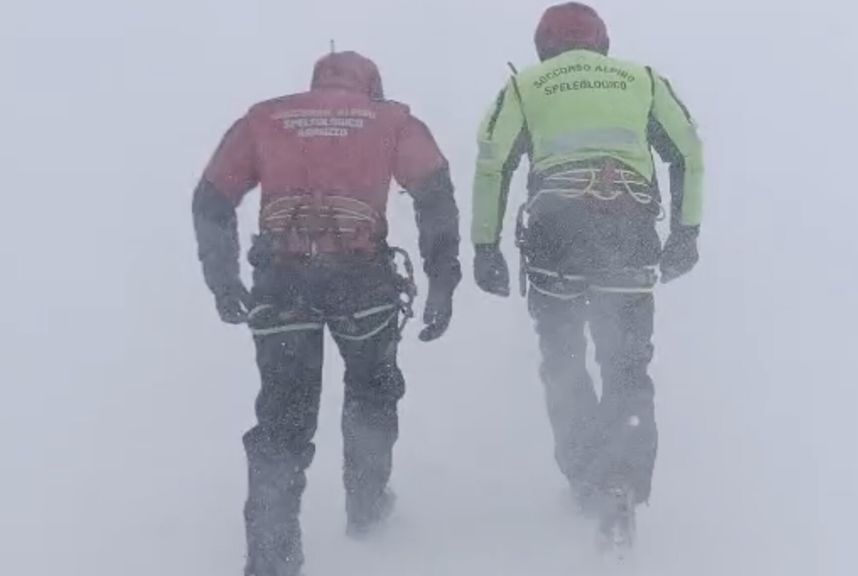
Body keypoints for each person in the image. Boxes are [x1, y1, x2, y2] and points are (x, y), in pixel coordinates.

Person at [191, 50, 461, 576]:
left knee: (282, 421)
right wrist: (442, 281)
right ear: (371, 87)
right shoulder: (392, 120)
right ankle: (367, 509)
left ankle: (271, 560)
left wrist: (223, 281)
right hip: (363, 283)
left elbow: (210, 200)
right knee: (372, 394)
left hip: (282, 282)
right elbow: (435, 196)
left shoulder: (264, 118)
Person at [470, 2, 705, 549]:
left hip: (557, 236)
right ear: (602, 43)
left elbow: (492, 164)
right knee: (625, 363)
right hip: (627, 226)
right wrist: (686, 234)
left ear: (542, 46)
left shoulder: (526, 86)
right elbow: (688, 152)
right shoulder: (642, 81)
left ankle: (583, 478)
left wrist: (486, 247)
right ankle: (623, 476)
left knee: (564, 360)